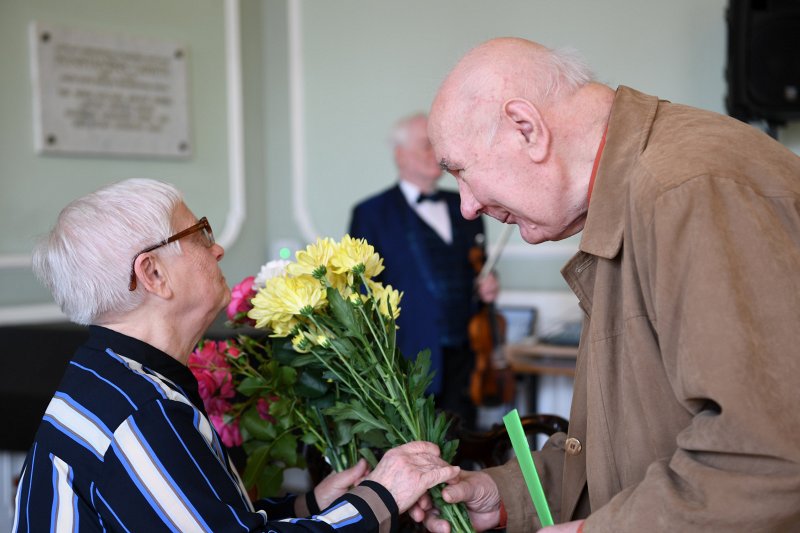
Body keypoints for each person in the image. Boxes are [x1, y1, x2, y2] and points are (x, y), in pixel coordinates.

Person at [411, 37, 800, 532]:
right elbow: (626, 439)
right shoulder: (640, 194)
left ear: (526, 129)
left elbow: (768, 455)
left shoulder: (689, 190)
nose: (466, 205)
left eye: (461, 172)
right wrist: (505, 496)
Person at [13, 178, 460, 532]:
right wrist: (380, 496)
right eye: (199, 233)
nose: (217, 247)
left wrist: (314, 503)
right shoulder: (140, 411)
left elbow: (204, 518)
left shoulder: (111, 376)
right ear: (153, 273)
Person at [348, 113, 499, 430]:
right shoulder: (371, 214)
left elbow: (477, 269)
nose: (439, 155)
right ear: (400, 154)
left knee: (465, 442)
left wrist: (485, 286)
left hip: (468, 355)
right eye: (426, 146)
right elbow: (362, 292)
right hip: (410, 357)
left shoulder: (467, 205)